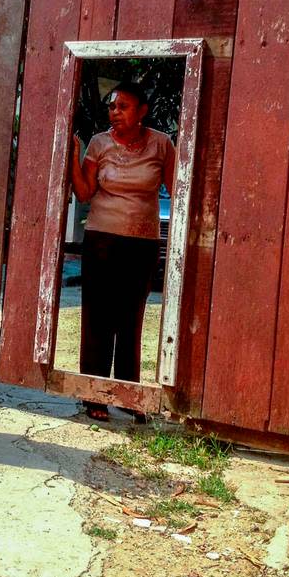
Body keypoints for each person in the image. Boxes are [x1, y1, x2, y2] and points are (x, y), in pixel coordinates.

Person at [69, 81, 175, 422]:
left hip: (142, 243)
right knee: (98, 317)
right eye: (112, 107)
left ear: (142, 111)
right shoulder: (99, 144)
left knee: (131, 319)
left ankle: (130, 396)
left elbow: (176, 189)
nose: (115, 112)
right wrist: (73, 155)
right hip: (101, 240)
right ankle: (94, 395)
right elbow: (84, 192)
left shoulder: (162, 144)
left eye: (123, 106)